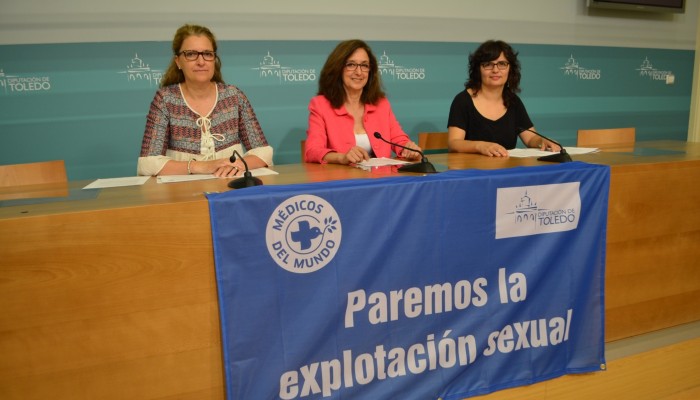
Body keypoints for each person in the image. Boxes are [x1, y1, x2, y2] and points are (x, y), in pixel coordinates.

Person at [138, 24, 273, 177]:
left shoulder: (234, 96)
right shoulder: (166, 99)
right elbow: (147, 163)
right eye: (191, 54)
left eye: (207, 54)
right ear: (178, 61)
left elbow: (263, 152)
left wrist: (238, 164)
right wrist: (202, 166)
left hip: (228, 189)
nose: (201, 61)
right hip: (182, 193)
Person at [305, 39, 422, 164]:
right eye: (351, 64)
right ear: (338, 68)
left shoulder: (381, 103)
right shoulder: (320, 105)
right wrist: (341, 157)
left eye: (364, 65)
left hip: (380, 179)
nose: (359, 72)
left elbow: (398, 139)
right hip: (342, 179)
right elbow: (312, 150)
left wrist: (408, 148)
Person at [447, 40, 560, 157]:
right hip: (473, 172)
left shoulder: (513, 101)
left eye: (502, 64)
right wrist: (481, 146)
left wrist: (542, 141)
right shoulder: (463, 101)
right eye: (488, 64)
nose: (495, 70)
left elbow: (530, 137)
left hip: (508, 171)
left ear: (510, 69)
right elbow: (454, 143)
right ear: (478, 69)